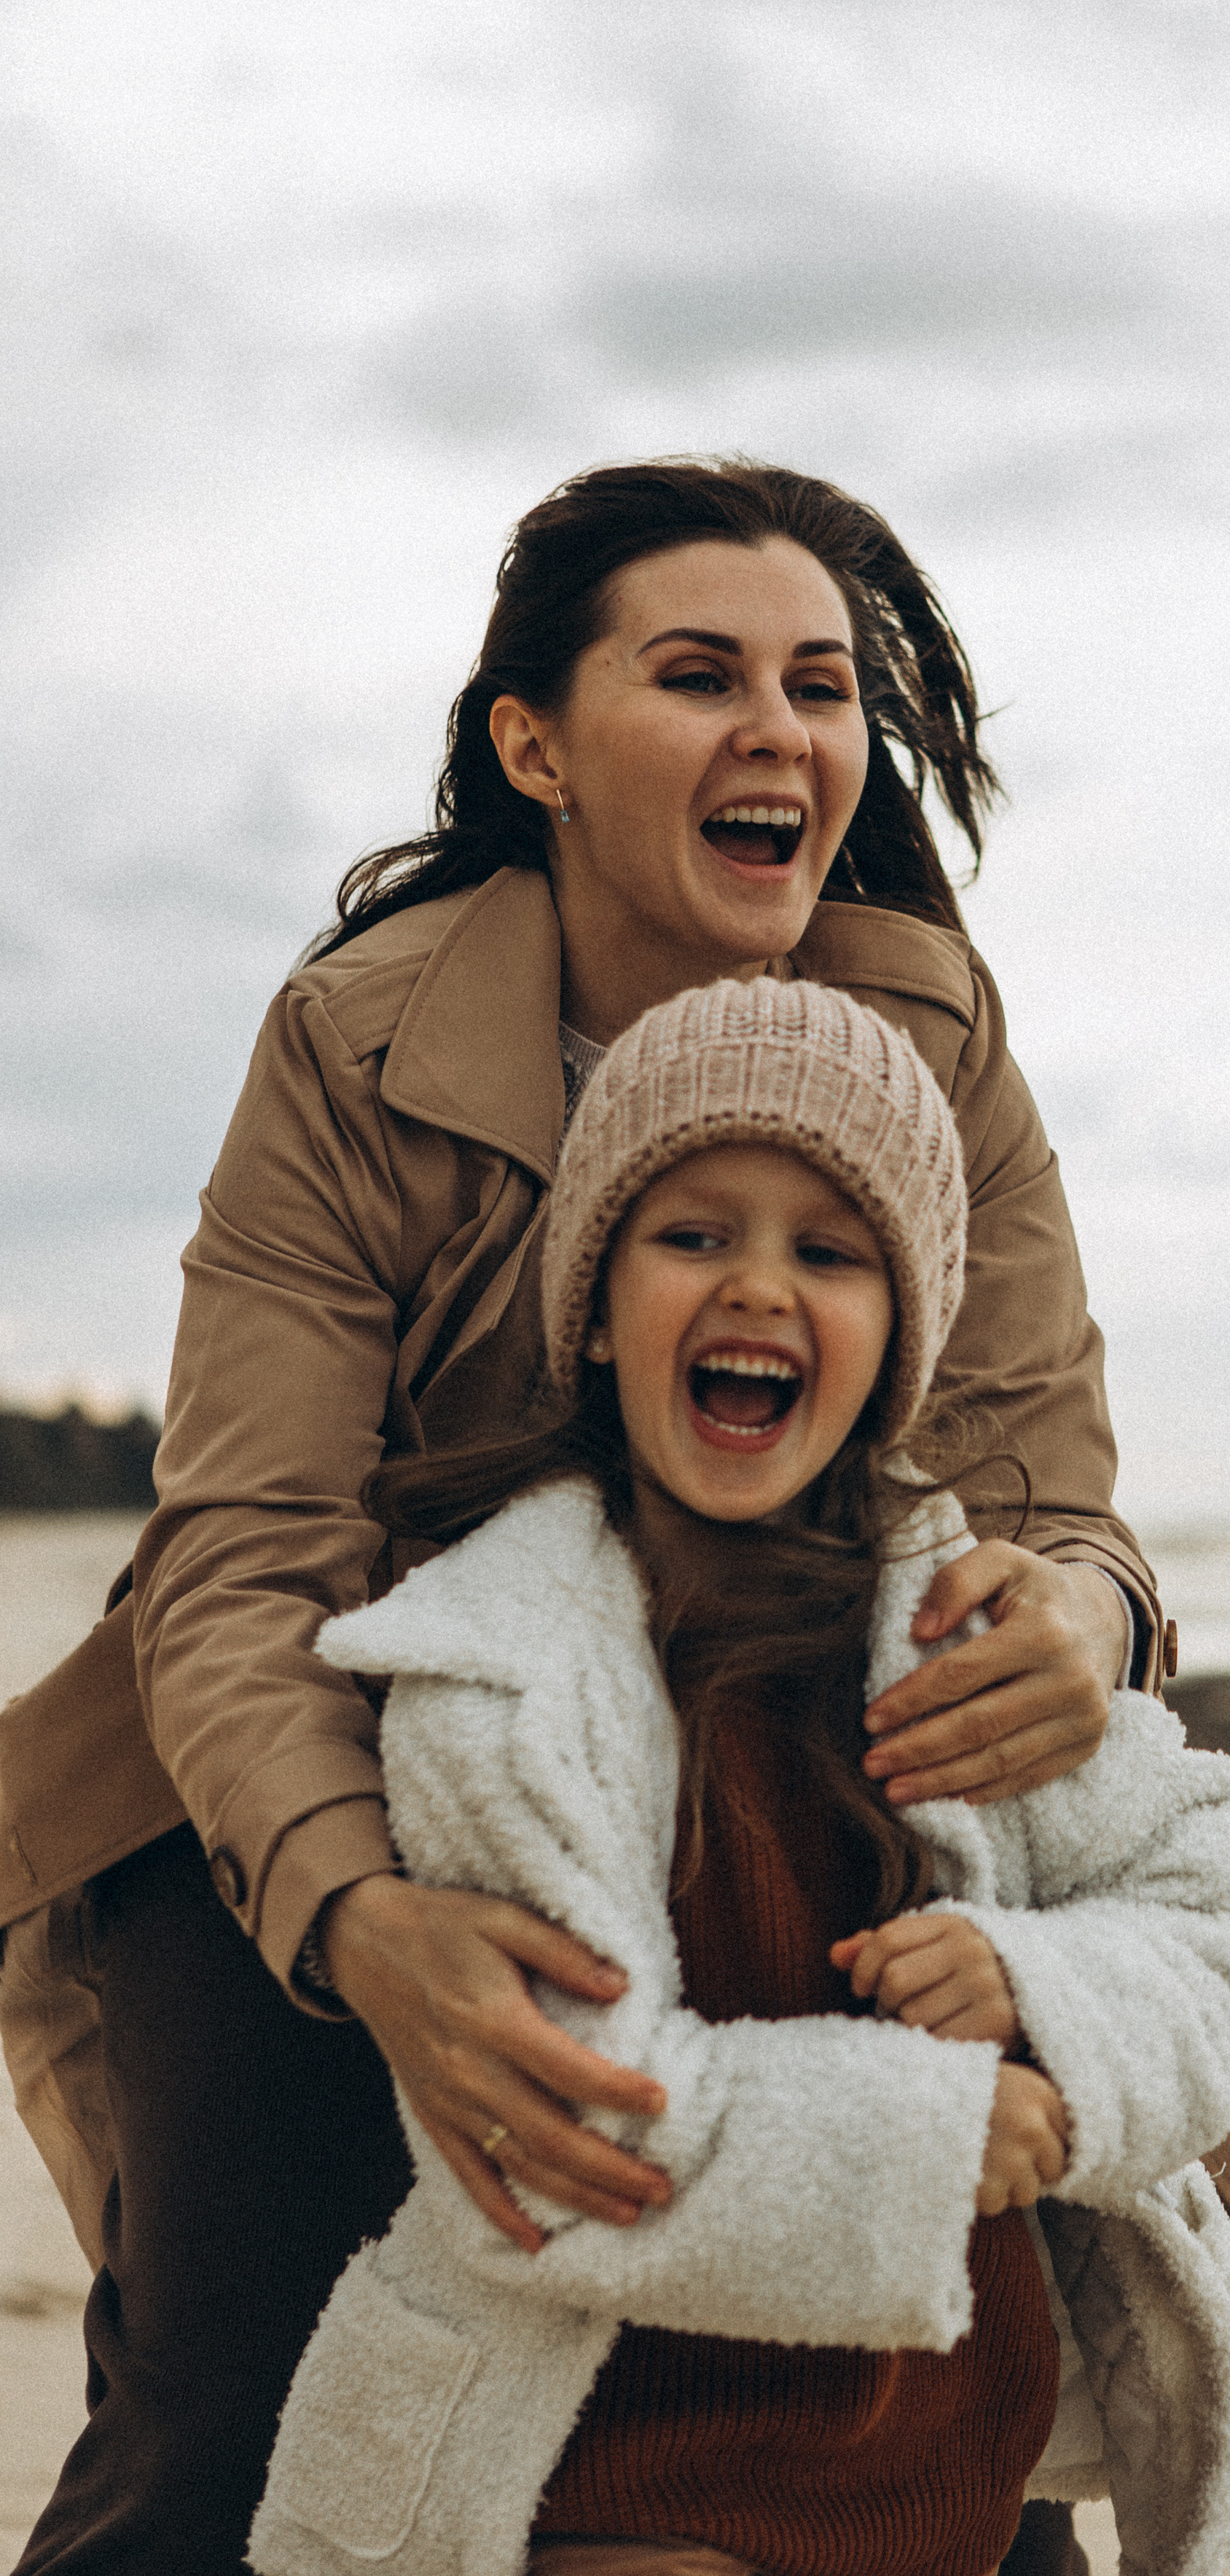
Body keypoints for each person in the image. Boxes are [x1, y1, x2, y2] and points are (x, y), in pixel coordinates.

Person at [0, 462, 1163, 2576]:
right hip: (331, 1755)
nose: (778, 730)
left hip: (773, 1738)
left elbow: (1047, 1501)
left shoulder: (929, 1030)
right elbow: (244, 1560)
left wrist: (1080, 1619)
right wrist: (362, 1920)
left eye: (821, 686)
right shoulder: (356, 1037)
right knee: (228, 2406)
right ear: (534, 746)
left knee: (971, 2395)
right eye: (698, 675)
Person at [248, 976, 1230, 2576]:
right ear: (594, 1308)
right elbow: (558, 2134)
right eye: (693, 1236)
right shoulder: (495, 1666)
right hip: (609, 2470)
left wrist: (1036, 1990)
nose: (757, 1284)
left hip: (947, 2471)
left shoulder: (967, 1630)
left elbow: (1226, 1926)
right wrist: (928, 2139)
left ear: (901, 1341)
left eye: (829, 1253)